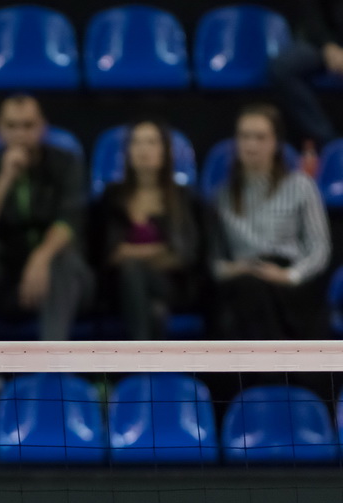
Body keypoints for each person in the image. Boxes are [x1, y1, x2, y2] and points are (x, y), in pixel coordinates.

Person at [0, 95, 93, 342]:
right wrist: (6, 177)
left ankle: (52, 359)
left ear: (43, 127)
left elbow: (70, 220)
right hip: (6, 275)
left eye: (28, 125)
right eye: (11, 126)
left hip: (62, 277)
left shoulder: (66, 164)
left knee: (62, 261)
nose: (20, 134)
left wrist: (40, 259)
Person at [211, 104, 331, 340]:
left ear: (275, 143)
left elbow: (319, 249)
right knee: (247, 289)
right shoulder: (222, 196)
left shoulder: (301, 186)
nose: (251, 145)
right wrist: (235, 269)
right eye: (244, 136)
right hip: (243, 277)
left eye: (260, 137)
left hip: (289, 280)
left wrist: (290, 275)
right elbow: (213, 262)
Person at [97, 120, 201, 341]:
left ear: (165, 151)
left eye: (151, 142)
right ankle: (149, 341)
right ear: (127, 152)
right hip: (120, 287)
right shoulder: (111, 196)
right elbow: (108, 254)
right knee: (140, 288)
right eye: (136, 142)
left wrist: (131, 253)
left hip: (171, 284)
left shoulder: (182, 197)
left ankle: (140, 351)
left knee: (133, 269)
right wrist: (158, 250)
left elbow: (184, 255)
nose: (143, 149)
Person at [268, 0, 343, 166]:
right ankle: (328, 140)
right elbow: (311, 14)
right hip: (325, 43)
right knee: (283, 68)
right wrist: (328, 46)